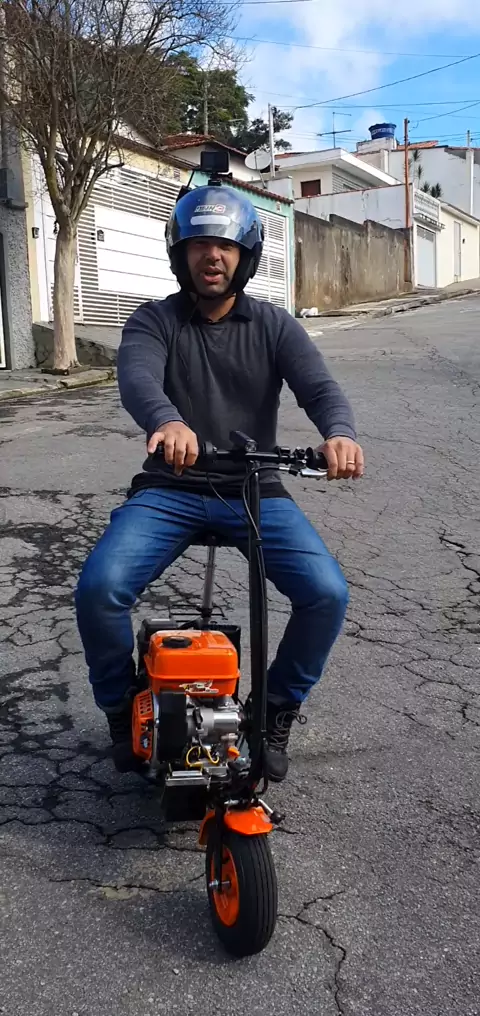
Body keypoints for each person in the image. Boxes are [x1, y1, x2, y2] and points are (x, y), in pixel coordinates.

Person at [75, 183, 364, 782]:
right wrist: (167, 421)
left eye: (226, 246)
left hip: (252, 489)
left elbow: (320, 389)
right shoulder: (154, 320)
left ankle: (275, 709)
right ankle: (121, 709)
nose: (213, 256)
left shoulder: (274, 325)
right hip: (170, 487)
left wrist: (339, 434)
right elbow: (137, 378)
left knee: (326, 594)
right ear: (180, 253)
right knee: (99, 588)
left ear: (246, 255)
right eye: (200, 244)